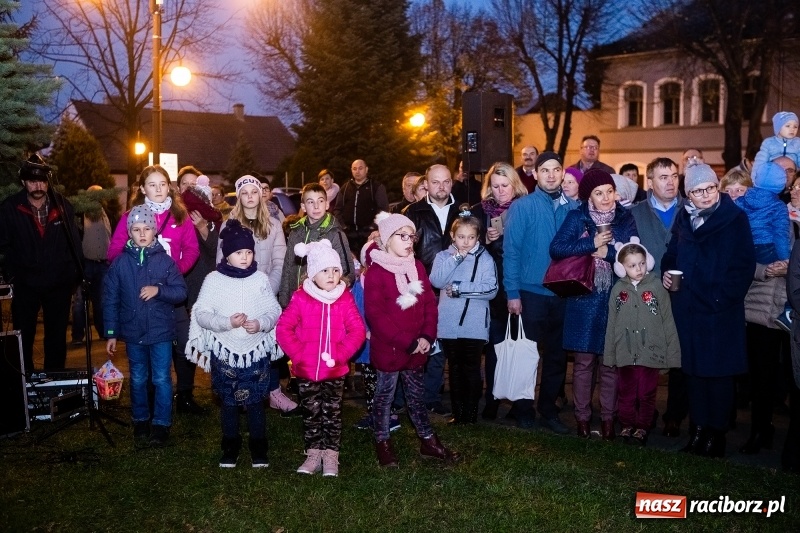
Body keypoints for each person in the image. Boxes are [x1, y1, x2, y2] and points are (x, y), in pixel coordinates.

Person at [662, 161, 755, 458]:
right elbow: (671, 254)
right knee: (693, 374)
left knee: (718, 376)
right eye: (697, 190)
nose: (705, 195)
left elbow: (744, 267)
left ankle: (717, 435)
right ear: (688, 194)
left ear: (718, 188)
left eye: (710, 188)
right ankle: (698, 430)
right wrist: (667, 272)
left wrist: (719, 299)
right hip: (688, 310)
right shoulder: (683, 219)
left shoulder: (734, 219)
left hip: (719, 312)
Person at [364, 212, 459, 467]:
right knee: (384, 398)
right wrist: (406, 340)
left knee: (417, 397)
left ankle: (428, 440)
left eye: (411, 237)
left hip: (417, 348)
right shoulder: (376, 273)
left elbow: (428, 302)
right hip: (390, 349)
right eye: (402, 236)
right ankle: (382, 441)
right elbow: (376, 315)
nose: (409, 241)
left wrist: (427, 335)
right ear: (386, 239)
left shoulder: (415, 266)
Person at [550, 168, 638, 440]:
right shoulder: (578, 216)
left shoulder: (625, 217)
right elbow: (557, 249)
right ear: (589, 195)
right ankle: (583, 418)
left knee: (610, 363)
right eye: (598, 193)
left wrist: (609, 252)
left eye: (609, 192)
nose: (605, 198)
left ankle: (609, 419)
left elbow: (634, 255)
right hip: (584, 297)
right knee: (584, 362)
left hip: (615, 296)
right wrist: (590, 244)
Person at [187, 220, 282, 468]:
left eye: (249, 252)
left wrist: (261, 323)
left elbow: (274, 309)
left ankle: (259, 448)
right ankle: (230, 447)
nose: (245, 257)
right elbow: (201, 313)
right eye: (239, 252)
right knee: (228, 401)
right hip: (225, 351)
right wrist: (225, 322)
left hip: (255, 351)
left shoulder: (260, 279)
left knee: (255, 401)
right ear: (227, 254)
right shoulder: (214, 280)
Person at [109, 165, 201, 411]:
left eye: (163, 184)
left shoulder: (180, 216)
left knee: (183, 346)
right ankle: (150, 396)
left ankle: (184, 395)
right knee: (147, 346)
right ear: (142, 189)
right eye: (152, 184)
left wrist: (173, 272)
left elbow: (192, 249)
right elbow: (114, 252)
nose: (158, 189)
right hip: (142, 295)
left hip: (171, 293)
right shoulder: (131, 217)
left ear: (169, 186)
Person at [276, 240, 366, 476]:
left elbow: (357, 331)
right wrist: (299, 355)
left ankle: (331, 457)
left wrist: (341, 354)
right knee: (311, 413)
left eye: (336, 270)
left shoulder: (344, 298)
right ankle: (313, 454)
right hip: (307, 371)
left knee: (332, 413)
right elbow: (284, 328)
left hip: (335, 371)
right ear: (313, 273)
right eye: (325, 270)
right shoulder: (301, 298)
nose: (331, 275)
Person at [503, 151, 578, 432]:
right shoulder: (523, 207)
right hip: (530, 292)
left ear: (562, 173)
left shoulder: (573, 208)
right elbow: (511, 252)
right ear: (535, 174)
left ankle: (549, 410)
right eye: (544, 170)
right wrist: (512, 293)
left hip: (563, 294)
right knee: (527, 355)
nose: (550, 175)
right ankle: (523, 408)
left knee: (557, 357)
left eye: (555, 170)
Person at [103, 205, 188, 447]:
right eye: (137, 229)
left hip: (161, 332)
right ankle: (140, 419)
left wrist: (159, 290)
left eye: (147, 228)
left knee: (161, 378)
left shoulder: (166, 262)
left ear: (155, 232)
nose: (142, 233)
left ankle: (161, 424)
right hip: (133, 332)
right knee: (138, 377)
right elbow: (110, 299)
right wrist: (111, 332)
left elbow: (181, 292)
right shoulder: (119, 264)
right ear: (129, 232)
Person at [218, 175, 293, 415]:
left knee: (268, 348)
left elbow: (279, 262)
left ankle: (273, 393)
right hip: (237, 294)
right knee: (241, 346)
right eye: (245, 193)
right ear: (238, 197)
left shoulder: (272, 225)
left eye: (254, 192)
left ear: (260, 194)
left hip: (265, 295)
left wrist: (266, 292)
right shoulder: (228, 225)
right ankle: (242, 393)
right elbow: (221, 262)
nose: (250, 197)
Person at [0, 155, 82, 372]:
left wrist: (73, 277)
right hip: (25, 285)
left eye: (42, 181)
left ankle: (53, 379)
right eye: (32, 181)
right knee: (23, 335)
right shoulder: (10, 208)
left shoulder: (63, 206)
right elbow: (4, 245)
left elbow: (73, 243)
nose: (38, 185)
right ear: (23, 182)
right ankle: (24, 382)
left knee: (56, 336)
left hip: (58, 284)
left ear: (48, 181)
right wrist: (12, 275)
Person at [630, 157, 687, 438]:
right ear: (649, 182)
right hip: (648, 295)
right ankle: (646, 412)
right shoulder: (635, 213)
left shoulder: (691, 208)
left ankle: (674, 415)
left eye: (674, 176)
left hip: (684, 295)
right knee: (646, 355)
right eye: (663, 177)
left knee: (679, 355)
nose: (670, 182)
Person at [603, 239, 680, 445]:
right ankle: (627, 424)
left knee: (647, 393)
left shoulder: (657, 287)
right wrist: (610, 354)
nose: (638, 269)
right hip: (625, 353)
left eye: (641, 263)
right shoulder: (618, 290)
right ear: (621, 268)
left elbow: (667, 321)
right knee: (626, 392)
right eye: (632, 265)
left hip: (651, 352)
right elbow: (612, 323)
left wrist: (671, 355)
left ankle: (643, 427)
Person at [469, 162, 528, 419]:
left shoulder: (525, 208)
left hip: (520, 285)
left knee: (519, 346)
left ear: (514, 184)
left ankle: (518, 400)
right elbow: (465, 248)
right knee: (494, 346)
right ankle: (492, 397)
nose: (501, 191)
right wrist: (486, 240)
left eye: (505, 185)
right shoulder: (479, 211)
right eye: (495, 186)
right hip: (492, 289)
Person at [430, 210, 498, 424]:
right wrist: (456, 258)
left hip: (474, 325)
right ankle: (458, 414)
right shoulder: (443, 257)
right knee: (455, 370)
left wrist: (460, 288)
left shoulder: (486, 259)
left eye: (471, 237)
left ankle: (470, 414)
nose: (466, 242)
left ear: (478, 237)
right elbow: (437, 281)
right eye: (461, 237)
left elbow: (491, 289)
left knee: (471, 369)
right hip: (449, 324)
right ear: (453, 236)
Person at [402, 164, 460, 416]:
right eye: (436, 182)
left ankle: (432, 396)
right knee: (418, 341)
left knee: (443, 345)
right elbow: (403, 250)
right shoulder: (413, 212)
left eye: (446, 182)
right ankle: (409, 396)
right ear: (427, 184)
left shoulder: (464, 211)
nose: (441, 187)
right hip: (421, 286)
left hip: (455, 288)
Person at [735, 162, 793, 331]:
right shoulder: (778, 206)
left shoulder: (740, 200)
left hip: (747, 249)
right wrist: (785, 260)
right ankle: (789, 311)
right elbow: (780, 235)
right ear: (781, 184)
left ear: (755, 179)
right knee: (791, 275)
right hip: (768, 249)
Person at [279, 183, 352, 309]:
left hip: (321, 304)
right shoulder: (295, 232)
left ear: (327, 204)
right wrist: (284, 302)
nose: (316, 206)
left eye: (320, 201)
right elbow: (287, 267)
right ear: (303, 206)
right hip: (295, 303)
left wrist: (330, 296)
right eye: (310, 202)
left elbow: (347, 271)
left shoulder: (335, 234)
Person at [71, 184, 112, 345]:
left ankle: (103, 333)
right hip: (85, 265)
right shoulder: (80, 215)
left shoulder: (107, 214)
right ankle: (77, 337)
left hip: (103, 265)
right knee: (79, 304)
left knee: (101, 302)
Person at [333, 159, 389, 254]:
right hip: (348, 235)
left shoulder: (376, 187)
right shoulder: (345, 188)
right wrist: (343, 226)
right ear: (351, 170)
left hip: (369, 235)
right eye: (354, 169)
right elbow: (337, 209)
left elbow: (383, 209)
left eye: (360, 168)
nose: (357, 171)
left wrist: (373, 227)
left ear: (366, 169)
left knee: (368, 263)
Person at [752, 111, 800, 181]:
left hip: (792, 176)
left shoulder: (797, 142)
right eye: (788, 126)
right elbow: (760, 162)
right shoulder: (769, 143)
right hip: (772, 175)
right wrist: (755, 179)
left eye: (795, 126)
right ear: (778, 127)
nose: (792, 129)